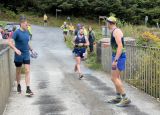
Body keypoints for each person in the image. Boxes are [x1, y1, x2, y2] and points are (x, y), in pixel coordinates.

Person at [103, 16, 131, 107]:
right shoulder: (114, 31)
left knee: (114, 78)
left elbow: (120, 46)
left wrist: (115, 60)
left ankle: (125, 98)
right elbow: (116, 43)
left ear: (110, 23)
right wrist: (108, 44)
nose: (106, 24)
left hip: (118, 57)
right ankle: (118, 97)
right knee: (116, 78)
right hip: (117, 56)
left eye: (107, 23)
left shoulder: (117, 31)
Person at [8, 16, 34, 96]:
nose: (27, 26)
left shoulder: (27, 32)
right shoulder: (16, 32)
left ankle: (28, 88)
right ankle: (18, 85)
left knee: (27, 70)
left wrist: (31, 49)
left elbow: (26, 43)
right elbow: (9, 42)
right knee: (18, 71)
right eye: (26, 24)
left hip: (26, 54)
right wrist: (15, 49)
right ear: (22, 24)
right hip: (18, 54)